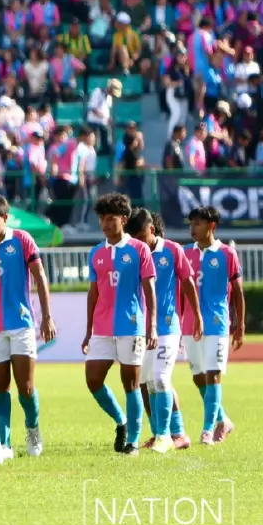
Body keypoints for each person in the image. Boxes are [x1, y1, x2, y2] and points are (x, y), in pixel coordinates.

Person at [0, 193, 56, 460]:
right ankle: (5, 443)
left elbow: (40, 276)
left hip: (21, 323)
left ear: (5, 217)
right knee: (1, 387)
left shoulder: (22, 239)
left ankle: (33, 429)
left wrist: (46, 316)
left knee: (26, 387)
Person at [82, 193, 157, 457]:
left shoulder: (139, 250)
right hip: (102, 328)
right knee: (93, 380)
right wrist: (88, 329)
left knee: (131, 384)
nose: (105, 224)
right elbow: (93, 292)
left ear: (123, 219)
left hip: (131, 325)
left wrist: (152, 325)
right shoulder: (96, 252)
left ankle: (133, 442)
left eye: (110, 218)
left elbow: (149, 289)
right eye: (102, 218)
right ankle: (121, 421)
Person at [126, 208, 196, 453]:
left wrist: (197, 316)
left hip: (167, 326)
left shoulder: (173, 250)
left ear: (151, 230)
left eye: (140, 236)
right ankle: (164, 433)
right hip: (139, 328)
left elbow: (188, 282)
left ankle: (169, 435)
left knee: (161, 378)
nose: (137, 242)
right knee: (146, 383)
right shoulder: (132, 253)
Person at [182, 207, 245, 445]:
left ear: (212, 226)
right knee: (198, 377)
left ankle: (208, 430)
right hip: (190, 324)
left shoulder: (227, 253)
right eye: (191, 224)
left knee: (213, 374)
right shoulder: (185, 253)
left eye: (197, 224)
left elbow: (237, 292)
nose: (192, 228)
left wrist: (240, 326)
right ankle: (223, 420)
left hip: (217, 323)